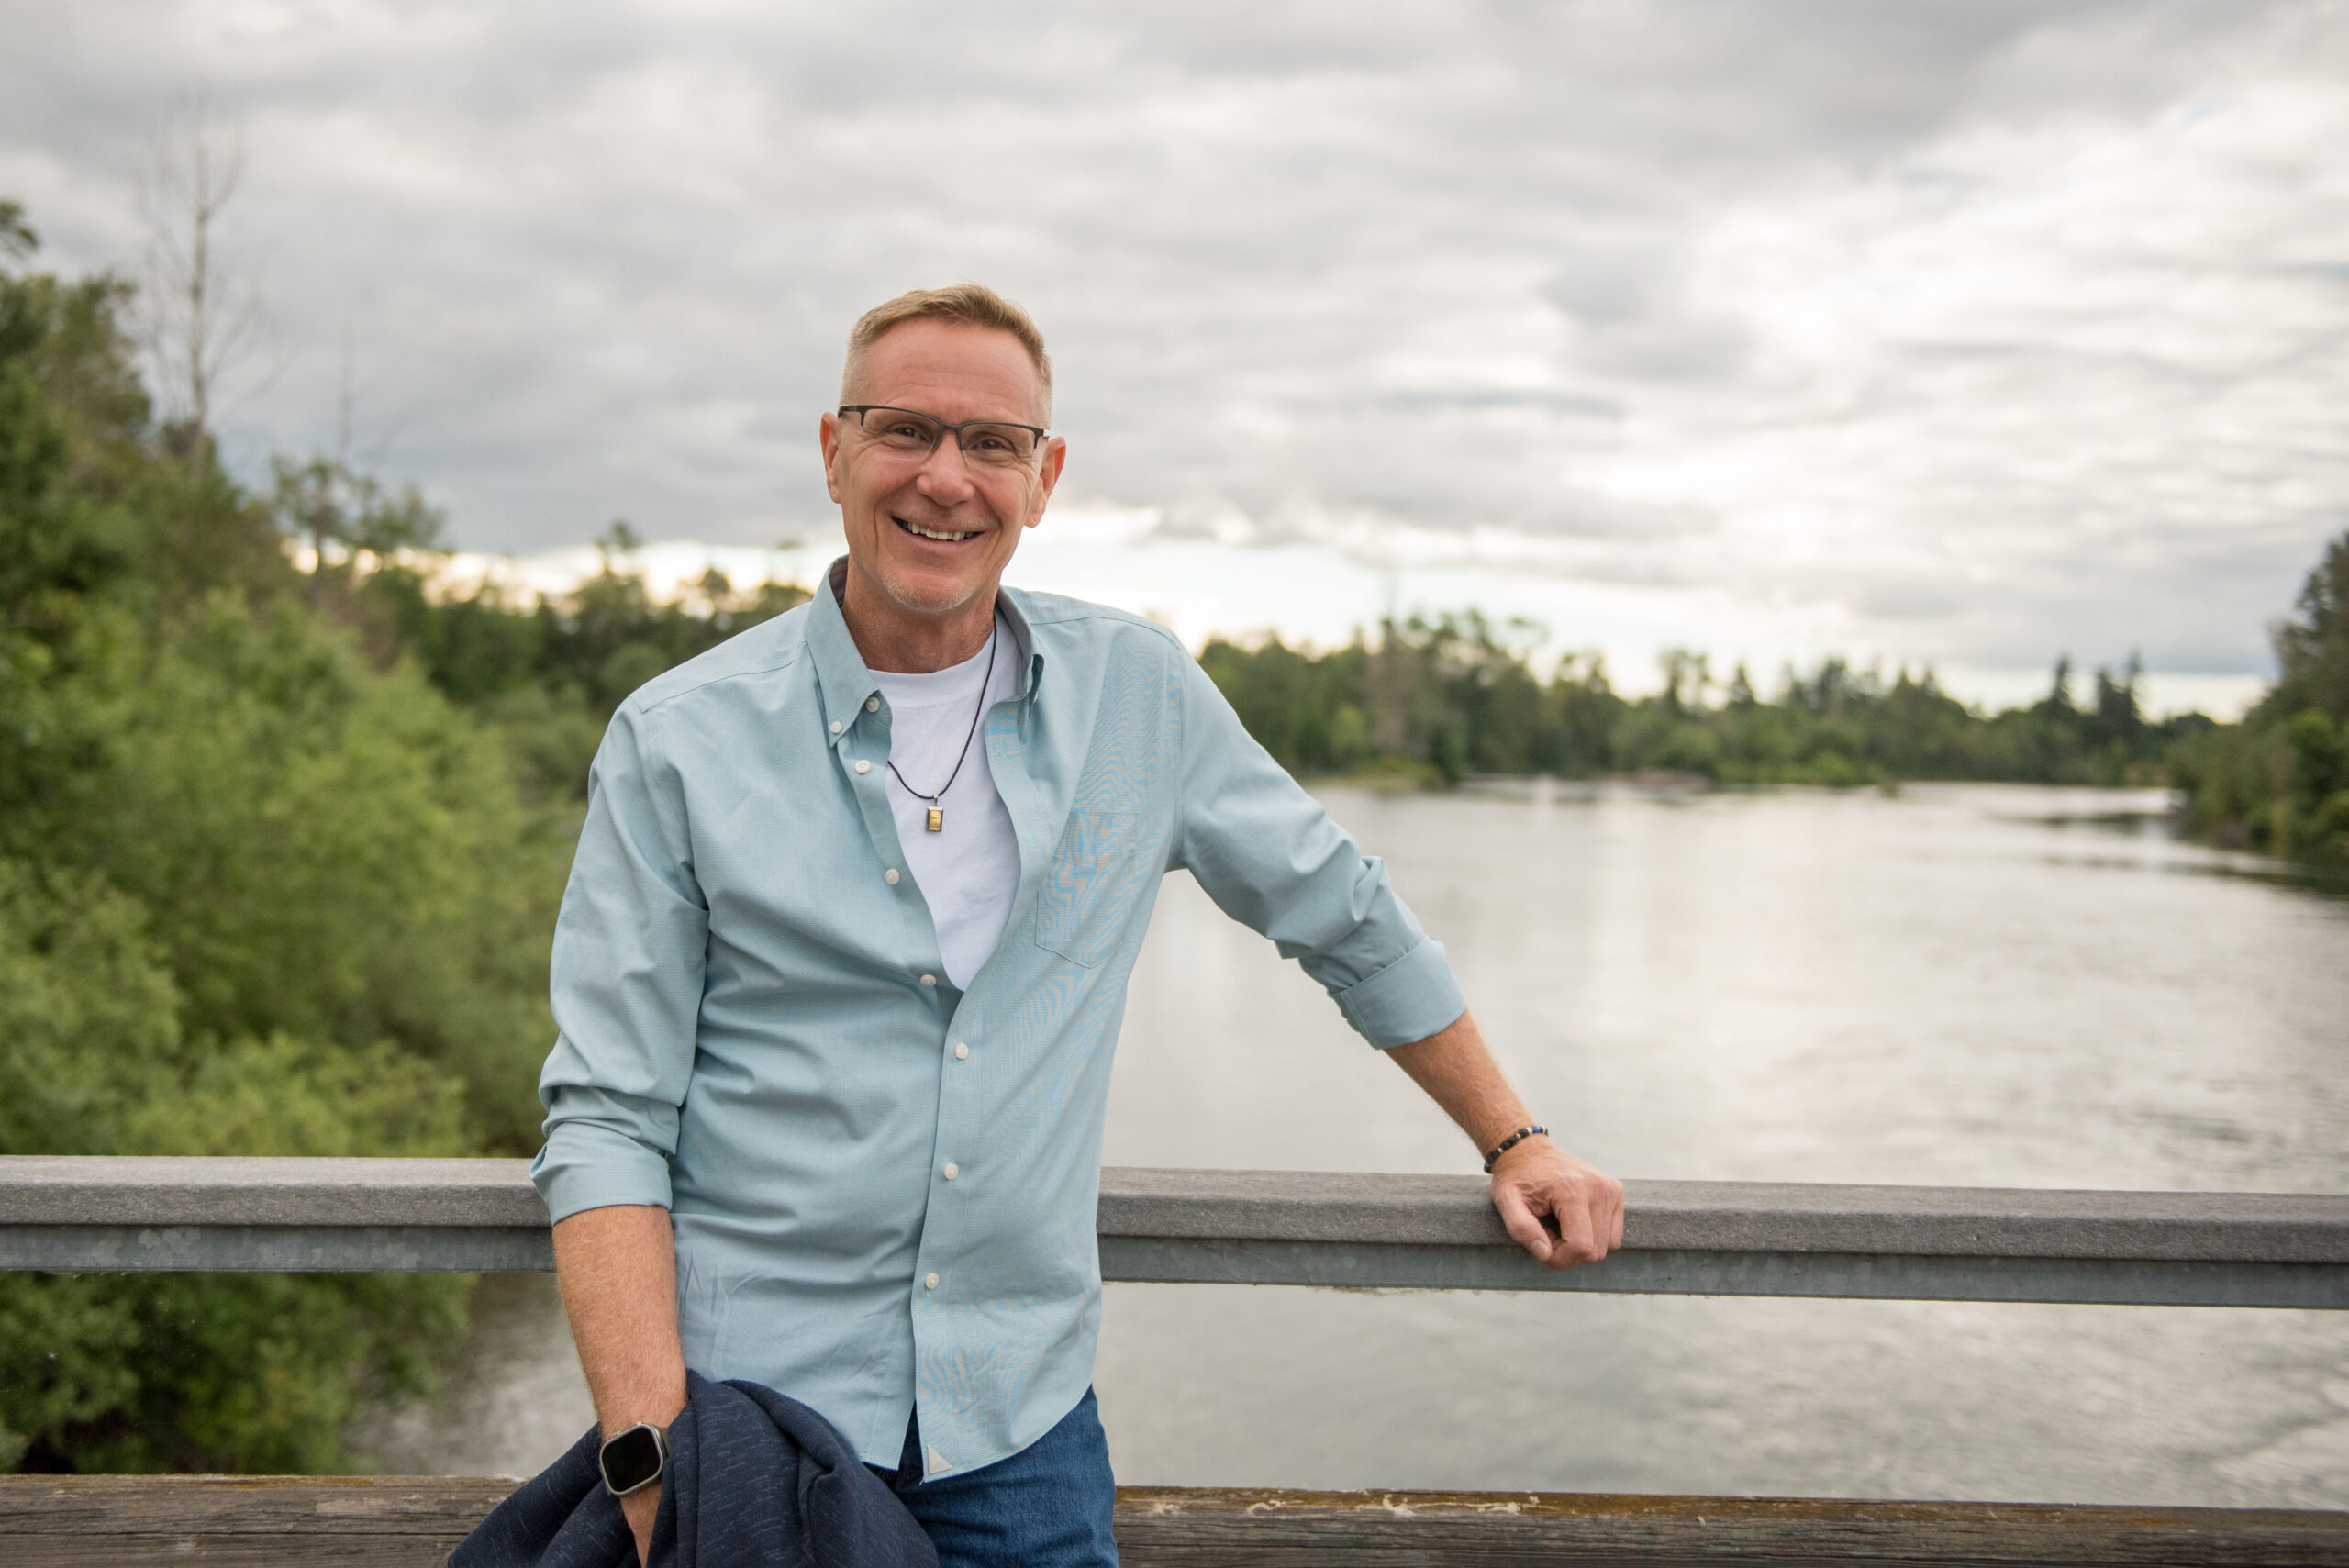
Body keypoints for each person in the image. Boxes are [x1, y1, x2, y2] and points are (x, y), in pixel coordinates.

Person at [531, 284, 1624, 1568]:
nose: (947, 478)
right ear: (833, 451)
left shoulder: (1139, 698)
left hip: (1019, 1432)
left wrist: (1515, 1132)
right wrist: (655, 1470)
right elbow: (607, 1116)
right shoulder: (677, 740)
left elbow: (1344, 910)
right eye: (906, 432)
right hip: (753, 1425)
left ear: (1042, 479)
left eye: (991, 443)